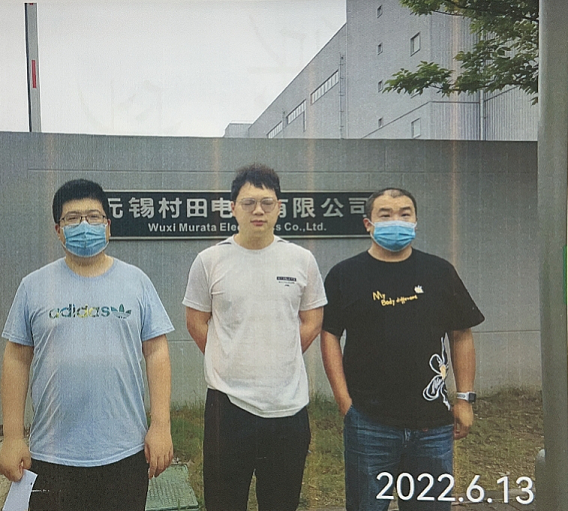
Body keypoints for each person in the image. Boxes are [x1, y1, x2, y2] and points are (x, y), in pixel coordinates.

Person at [0, 179, 174, 511]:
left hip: (125, 452)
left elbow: (156, 351)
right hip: (52, 454)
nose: (84, 225)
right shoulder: (34, 286)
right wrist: (12, 437)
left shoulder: (136, 282)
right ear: (58, 230)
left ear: (108, 226)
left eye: (93, 217)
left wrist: (161, 425)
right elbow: (16, 358)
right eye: (72, 218)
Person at [320, 188, 484, 511]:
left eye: (404, 214)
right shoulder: (344, 275)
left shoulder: (439, 273)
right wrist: (344, 402)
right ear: (368, 224)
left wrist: (465, 399)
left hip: (432, 425)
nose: (396, 220)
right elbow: (329, 336)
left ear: (415, 221)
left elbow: (461, 335)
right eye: (385, 215)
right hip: (368, 423)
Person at [183, 163, 327, 511]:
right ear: (233, 208)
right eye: (248, 203)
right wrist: (228, 356)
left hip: (288, 407)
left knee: (281, 502)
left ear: (279, 207)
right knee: (224, 502)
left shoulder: (301, 260)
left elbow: (312, 320)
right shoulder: (210, 261)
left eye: (266, 202)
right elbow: (196, 322)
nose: (258, 210)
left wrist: (280, 354)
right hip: (228, 407)